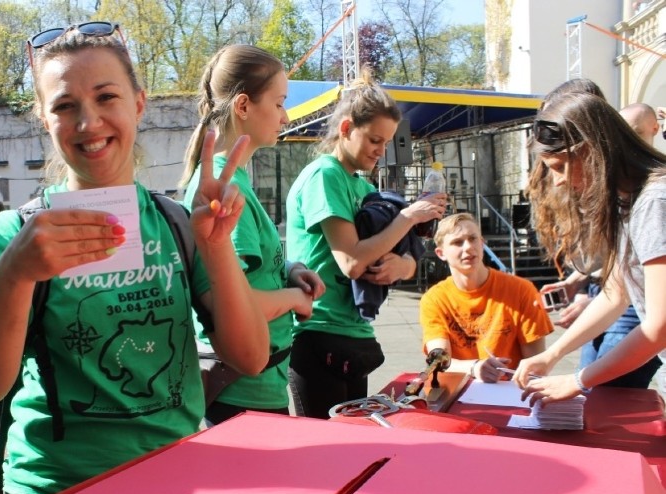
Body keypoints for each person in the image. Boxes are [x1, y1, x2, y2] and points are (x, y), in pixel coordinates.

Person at [0, 22, 269, 494]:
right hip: (54, 490)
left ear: (138, 103)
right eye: (64, 106)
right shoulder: (12, 235)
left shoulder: (176, 223)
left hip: (176, 476)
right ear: (43, 117)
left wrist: (216, 246)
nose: (88, 122)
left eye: (106, 97)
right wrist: (15, 274)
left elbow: (250, 357)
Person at [285, 69, 446, 419]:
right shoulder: (324, 175)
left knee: (349, 447)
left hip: (354, 334)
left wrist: (400, 266)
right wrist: (408, 217)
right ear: (346, 129)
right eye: (375, 140)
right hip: (317, 331)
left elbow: (406, 259)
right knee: (327, 455)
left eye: (387, 142)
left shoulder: (362, 187)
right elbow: (353, 263)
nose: (380, 150)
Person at [179, 44, 324, 425]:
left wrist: (289, 269)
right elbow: (230, 303)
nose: (285, 115)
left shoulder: (236, 180)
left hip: (257, 386)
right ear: (243, 106)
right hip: (243, 394)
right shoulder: (226, 189)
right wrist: (294, 298)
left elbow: (247, 274)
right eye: (278, 103)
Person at [514, 91, 666, 406]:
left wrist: (578, 380)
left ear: (592, 152)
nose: (556, 182)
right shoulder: (630, 200)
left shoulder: (654, 202)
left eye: (558, 166)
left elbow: (660, 325)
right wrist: (553, 354)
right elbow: (616, 292)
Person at [419, 213, 554, 381]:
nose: (468, 247)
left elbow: (536, 364)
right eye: (457, 242)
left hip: (512, 390)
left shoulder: (521, 289)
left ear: (482, 243)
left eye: (473, 239)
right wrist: (474, 367)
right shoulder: (434, 299)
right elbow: (437, 361)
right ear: (441, 253)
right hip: (460, 390)